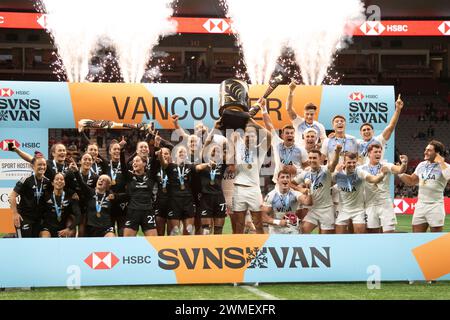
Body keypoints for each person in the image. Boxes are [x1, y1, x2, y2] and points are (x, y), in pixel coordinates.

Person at [398, 140, 450, 232]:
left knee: (435, 239)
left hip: (435, 206)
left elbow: (448, 176)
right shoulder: (421, 165)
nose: (425, 152)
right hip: (420, 205)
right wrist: (400, 172)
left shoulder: (445, 166)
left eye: (429, 150)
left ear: (437, 153)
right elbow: (411, 181)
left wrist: (441, 162)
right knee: (416, 238)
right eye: (425, 149)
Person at [232, 116, 272, 234]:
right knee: (239, 224)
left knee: (258, 223)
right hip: (238, 189)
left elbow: (269, 135)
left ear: (256, 138)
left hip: (254, 190)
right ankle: (239, 249)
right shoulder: (238, 143)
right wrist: (242, 120)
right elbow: (233, 131)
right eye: (247, 135)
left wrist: (252, 121)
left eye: (253, 135)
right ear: (244, 137)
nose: (250, 137)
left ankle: (261, 249)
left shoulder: (261, 149)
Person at [334, 152, 388, 234]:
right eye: (349, 162)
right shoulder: (338, 175)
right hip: (343, 210)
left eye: (354, 162)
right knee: (339, 237)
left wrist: (382, 174)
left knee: (360, 236)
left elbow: (373, 179)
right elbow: (327, 184)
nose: (352, 164)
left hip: (358, 210)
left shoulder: (360, 172)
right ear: (344, 163)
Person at [293, 145, 341, 234]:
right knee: (303, 230)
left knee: (325, 237)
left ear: (320, 159)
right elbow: (291, 184)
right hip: (313, 209)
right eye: (310, 158)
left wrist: (337, 152)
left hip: (326, 209)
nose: (312, 160)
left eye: (314, 158)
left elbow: (333, 164)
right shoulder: (305, 173)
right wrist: (300, 189)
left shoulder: (325, 170)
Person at [361, 144, 408, 233]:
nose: (378, 154)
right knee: (372, 235)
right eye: (375, 152)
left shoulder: (386, 165)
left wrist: (404, 163)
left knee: (389, 234)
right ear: (369, 154)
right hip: (370, 204)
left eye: (380, 152)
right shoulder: (361, 168)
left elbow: (400, 170)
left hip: (385, 204)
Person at [261, 100, 308, 183]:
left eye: (291, 133)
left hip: (295, 183)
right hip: (279, 182)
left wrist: (296, 171)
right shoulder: (277, 143)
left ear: (294, 135)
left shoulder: (301, 149)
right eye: (287, 133)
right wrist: (263, 108)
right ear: (282, 135)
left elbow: (307, 169)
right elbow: (269, 125)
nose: (289, 135)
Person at [9, 152, 51, 238]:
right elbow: (12, 196)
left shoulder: (47, 181)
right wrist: (15, 214)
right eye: (39, 165)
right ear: (32, 166)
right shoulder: (26, 180)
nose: (42, 167)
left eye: (44, 165)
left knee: (36, 243)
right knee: (24, 243)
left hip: (38, 219)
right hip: (24, 218)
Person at [70, 162, 116, 237]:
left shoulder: (110, 196)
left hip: (106, 228)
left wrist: (116, 197)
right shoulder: (90, 192)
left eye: (104, 180)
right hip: (90, 227)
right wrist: (76, 171)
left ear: (108, 185)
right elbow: (81, 183)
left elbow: (124, 196)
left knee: (111, 238)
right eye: (99, 179)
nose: (100, 181)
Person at [357, 94, 404, 163]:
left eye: (368, 129)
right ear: (360, 133)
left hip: (377, 172)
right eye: (364, 130)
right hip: (361, 172)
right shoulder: (357, 142)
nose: (366, 131)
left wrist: (398, 109)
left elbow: (391, 127)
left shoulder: (379, 140)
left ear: (373, 132)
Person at [262, 169, 312, 234]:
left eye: (287, 177)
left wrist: (310, 190)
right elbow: (263, 217)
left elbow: (308, 202)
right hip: (275, 230)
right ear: (277, 180)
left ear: (290, 181)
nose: (285, 179)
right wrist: (278, 222)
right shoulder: (271, 196)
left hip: (291, 229)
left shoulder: (295, 194)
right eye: (282, 177)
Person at [160, 146, 196, 235]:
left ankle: (186, 248)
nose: (182, 153)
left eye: (184, 152)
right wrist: (161, 155)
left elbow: (198, 167)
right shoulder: (170, 166)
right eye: (180, 152)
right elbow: (163, 164)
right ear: (175, 155)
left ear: (186, 155)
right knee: (175, 231)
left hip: (187, 200)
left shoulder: (190, 166)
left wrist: (208, 165)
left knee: (188, 231)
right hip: (174, 201)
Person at [195, 143, 228, 235]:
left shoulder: (222, 163)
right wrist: (207, 164)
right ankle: (206, 247)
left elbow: (231, 155)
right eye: (213, 150)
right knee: (206, 229)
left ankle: (217, 247)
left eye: (218, 151)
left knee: (218, 229)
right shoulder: (202, 161)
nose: (215, 152)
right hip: (205, 198)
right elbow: (197, 168)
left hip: (219, 197)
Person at [123, 155, 158, 237]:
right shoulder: (130, 177)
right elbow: (122, 166)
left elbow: (154, 165)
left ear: (144, 163)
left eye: (137, 161)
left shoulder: (150, 176)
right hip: (133, 211)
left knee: (153, 241)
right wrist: (122, 151)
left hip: (148, 211)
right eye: (133, 162)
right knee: (127, 242)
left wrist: (156, 147)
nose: (134, 163)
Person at [285, 81, 327, 146]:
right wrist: (291, 92)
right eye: (307, 114)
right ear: (303, 113)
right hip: (298, 153)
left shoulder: (320, 126)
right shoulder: (298, 122)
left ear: (315, 114)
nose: (309, 116)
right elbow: (288, 109)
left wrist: (319, 145)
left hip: (312, 154)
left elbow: (324, 141)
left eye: (311, 114)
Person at [40, 173, 80, 238]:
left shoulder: (71, 197)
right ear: (52, 183)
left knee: (70, 233)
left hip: (63, 228)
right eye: (57, 179)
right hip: (48, 228)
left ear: (64, 183)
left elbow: (78, 215)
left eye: (61, 179)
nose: (59, 181)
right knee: (45, 237)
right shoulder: (45, 196)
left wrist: (69, 228)